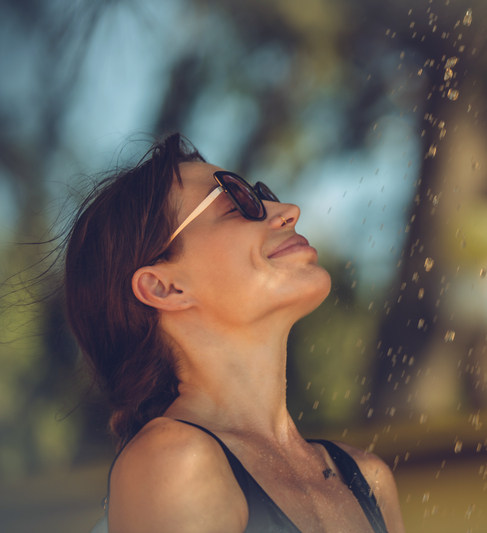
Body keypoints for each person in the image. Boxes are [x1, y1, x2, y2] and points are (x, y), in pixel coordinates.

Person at [65, 133, 405, 532]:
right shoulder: (174, 462)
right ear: (165, 287)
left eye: (263, 194)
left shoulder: (368, 479)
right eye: (236, 202)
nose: (289, 210)